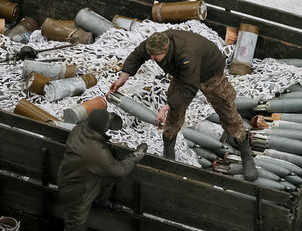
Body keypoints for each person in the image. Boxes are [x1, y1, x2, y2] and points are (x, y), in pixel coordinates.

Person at [107, 30, 257, 180]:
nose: (152, 58)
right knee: (175, 113)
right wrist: (124, 77)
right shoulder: (156, 43)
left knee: (228, 114)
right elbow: (138, 54)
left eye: (156, 56)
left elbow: (190, 87)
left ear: (166, 49)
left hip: (210, 74)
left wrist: (166, 107)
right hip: (183, 74)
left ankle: (245, 153)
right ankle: (169, 151)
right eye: (151, 55)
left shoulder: (187, 54)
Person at [47, 108, 147, 231]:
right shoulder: (96, 153)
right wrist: (136, 156)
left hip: (74, 179)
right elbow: (119, 170)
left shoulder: (79, 130)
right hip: (76, 195)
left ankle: (101, 202)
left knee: (105, 177)